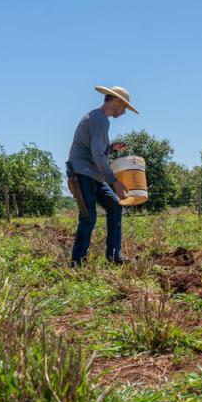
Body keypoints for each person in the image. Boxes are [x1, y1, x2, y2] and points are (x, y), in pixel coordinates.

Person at [67, 85, 139, 266]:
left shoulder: (97, 117)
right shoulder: (101, 119)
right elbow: (97, 155)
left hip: (94, 175)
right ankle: (77, 263)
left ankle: (114, 256)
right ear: (117, 101)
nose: (123, 113)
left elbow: (97, 150)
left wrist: (111, 148)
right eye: (124, 108)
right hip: (83, 173)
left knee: (115, 207)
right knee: (88, 217)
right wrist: (115, 182)